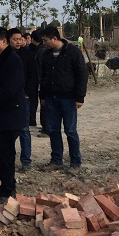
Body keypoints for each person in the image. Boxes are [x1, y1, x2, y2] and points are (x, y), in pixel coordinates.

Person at [0, 27, 27, 203]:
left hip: (11, 113)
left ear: (4, 41)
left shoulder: (13, 60)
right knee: (4, 152)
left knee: (7, 154)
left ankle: (7, 192)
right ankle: (6, 188)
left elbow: (9, 88)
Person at [39, 26, 88, 175]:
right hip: (51, 98)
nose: (44, 43)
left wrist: (80, 97)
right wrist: (42, 96)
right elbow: (43, 76)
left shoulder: (72, 52)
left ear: (55, 38)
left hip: (68, 98)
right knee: (53, 130)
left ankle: (75, 162)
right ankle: (56, 160)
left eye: (45, 40)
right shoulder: (46, 55)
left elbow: (82, 74)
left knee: (70, 131)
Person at [7, 28, 38, 172]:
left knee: (24, 129)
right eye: (15, 39)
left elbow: (33, 76)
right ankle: (8, 158)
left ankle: (26, 160)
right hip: (7, 99)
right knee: (8, 130)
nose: (18, 42)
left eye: (20, 39)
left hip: (23, 98)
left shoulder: (29, 56)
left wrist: (27, 93)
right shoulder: (3, 55)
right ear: (8, 40)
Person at [29, 29, 46, 132]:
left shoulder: (40, 51)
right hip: (39, 81)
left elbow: (40, 68)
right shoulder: (40, 49)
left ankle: (45, 127)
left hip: (39, 81)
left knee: (42, 103)